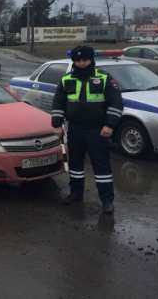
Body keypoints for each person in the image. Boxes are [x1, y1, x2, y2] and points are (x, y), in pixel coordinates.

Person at [51, 45, 123, 214]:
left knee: (101, 166)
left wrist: (109, 125)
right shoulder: (66, 79)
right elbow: (58, 102)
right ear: (74, 61)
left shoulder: (104, 78)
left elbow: (116, 103)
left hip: (97, 130)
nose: (81, 63)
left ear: (91, 60)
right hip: (75, 129)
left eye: (85, 60)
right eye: (78, 60)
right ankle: (76, 193)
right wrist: (57, 124)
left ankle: (107, 201)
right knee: (75, 165)